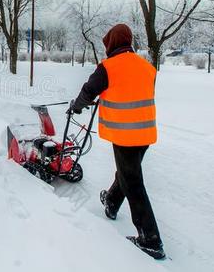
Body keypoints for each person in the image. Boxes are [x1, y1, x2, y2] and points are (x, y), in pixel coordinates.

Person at [69, 23, 165, 260]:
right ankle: (111, 201)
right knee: (128, 172)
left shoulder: (107, 67)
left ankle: (151, 240)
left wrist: (77, 106)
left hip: (125, 134)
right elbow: (133, 91)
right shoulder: (147, 67)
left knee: (132, 181)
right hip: (145, 133)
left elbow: (89, 90)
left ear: (112, 43)